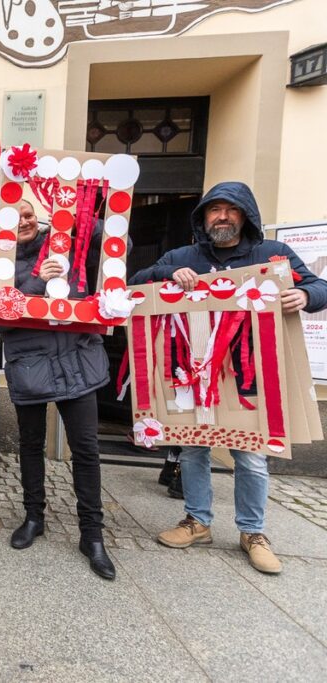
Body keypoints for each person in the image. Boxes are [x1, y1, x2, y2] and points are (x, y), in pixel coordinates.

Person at [130, 181, 327, 574]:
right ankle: (197, 521)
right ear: (202, 217)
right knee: (193, 449)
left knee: (251, 457)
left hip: (248, 373)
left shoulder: (273, 255)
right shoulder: (184, 255)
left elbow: (319, 286)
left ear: (246, 215)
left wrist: (305, 297)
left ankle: (252, 531)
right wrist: (168, 272)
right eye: (214, 210)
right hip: (193, 371)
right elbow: (136, 283)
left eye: (231, 209)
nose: (222, 216)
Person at [0, 199, 118, 580]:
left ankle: (92, 535)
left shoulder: (68, 247)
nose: (24, 221)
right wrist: (40, 281)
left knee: (86, 450)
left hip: (78, 363)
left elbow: (112, 241)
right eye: (15, 217)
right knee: (30, 445)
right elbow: (1, 317)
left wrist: (77, 217)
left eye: (28, 215)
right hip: (31, 366)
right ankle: (33, 516)